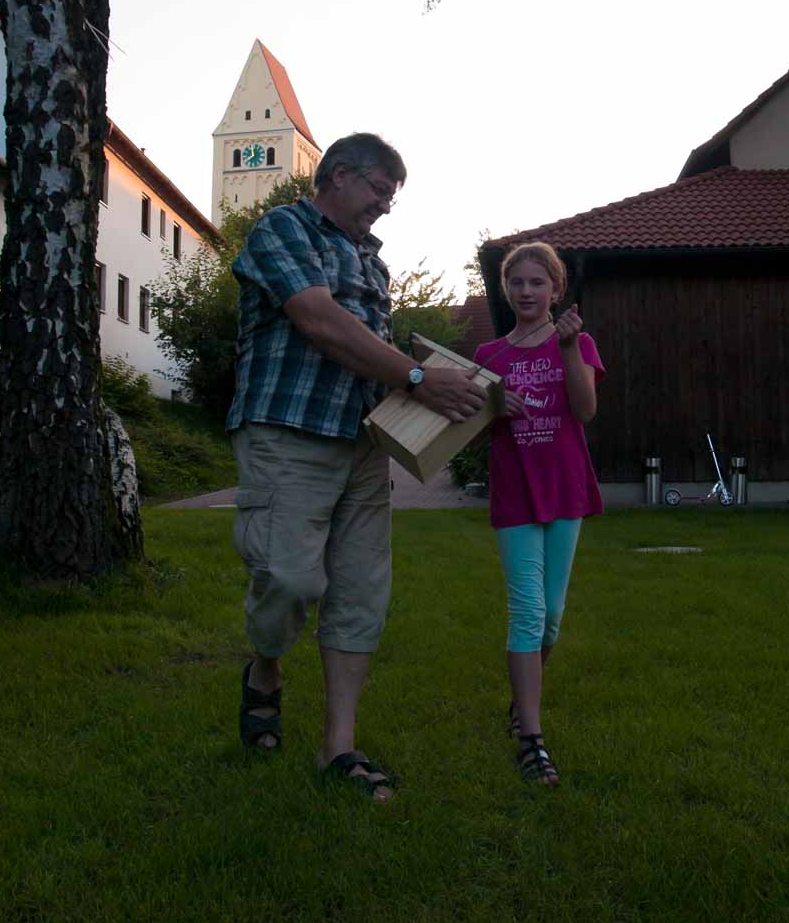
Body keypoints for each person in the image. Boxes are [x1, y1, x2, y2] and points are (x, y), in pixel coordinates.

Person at [227, 132, 486, 802]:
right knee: (288, 579)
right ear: (339, 174)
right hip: (289, 432)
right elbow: (317, 319)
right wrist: (419, 376)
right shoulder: (283, 228)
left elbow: (374, 350)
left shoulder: (374, 262)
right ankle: (265, 669)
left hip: (363, 445)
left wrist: (437, 391)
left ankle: (337, 747)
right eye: (379, 190)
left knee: (361, 593)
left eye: (391, 197)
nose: (385, 206)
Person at [473, 241, 604, 786]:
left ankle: (521, 699)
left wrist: (568, 348)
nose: (526, 292)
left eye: (537, 282)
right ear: (506, 289)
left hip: (564, 489)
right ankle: (531, 738)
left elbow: (585, 410)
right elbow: (469, 427)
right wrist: (490, 407)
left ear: (556, 289)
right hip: (516, 494)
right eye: (517, 283)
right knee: (527, 612)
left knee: (552, 614)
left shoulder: (577, 341)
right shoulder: (488, 356)